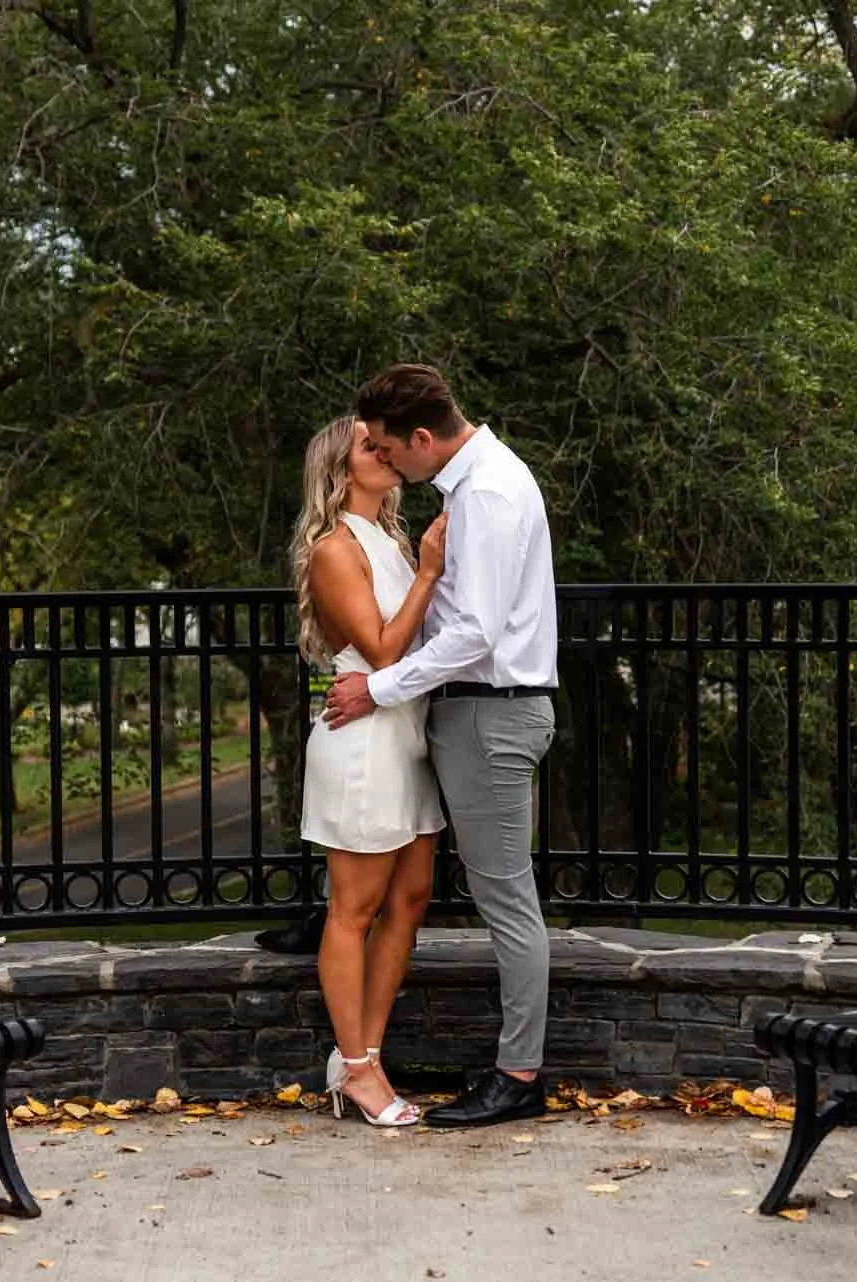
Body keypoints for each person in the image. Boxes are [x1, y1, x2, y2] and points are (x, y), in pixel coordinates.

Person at [325, 364, 559, 1129]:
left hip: (491, 716)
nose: (391, 464)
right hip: (477, 715)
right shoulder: (475, 485)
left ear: (424, 438)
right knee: (499, 894)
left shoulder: (486, 493)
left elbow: (475, 633)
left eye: (394, 451)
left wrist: (379, 689)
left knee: (505, 900)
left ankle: (518, 1075)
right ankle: (512, 1068)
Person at [293, 415, 449, 1126]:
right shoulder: (334, 549)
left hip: (404, 736)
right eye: (368, 445)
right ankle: (356, 1070)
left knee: (411, 899)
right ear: (339, 467)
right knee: (353, 911)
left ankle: (367, 1055)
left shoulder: (385, 538)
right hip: (360, 743)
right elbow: (385, 653)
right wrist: (427, 571)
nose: (384, 451)